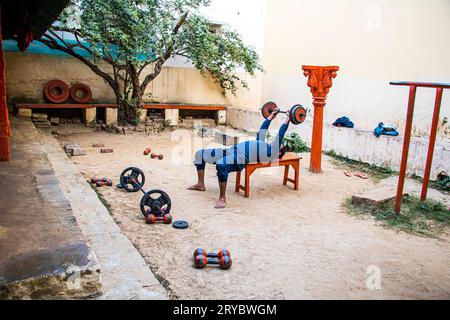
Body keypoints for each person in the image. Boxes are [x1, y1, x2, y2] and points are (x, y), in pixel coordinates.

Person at [188, 110, 291, 208]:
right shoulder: (262, 143)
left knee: (221, 164)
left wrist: (288, 118)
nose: (278, 143)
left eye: (279, 146)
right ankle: (200, 184)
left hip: (239, 158)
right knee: (199, 154)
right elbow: (263, 130)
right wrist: (271, 116)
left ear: (278, 152)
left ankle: (222, 198)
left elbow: (280, 134)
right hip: (230, 151)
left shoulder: (271, 153)